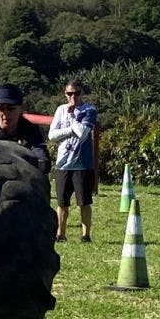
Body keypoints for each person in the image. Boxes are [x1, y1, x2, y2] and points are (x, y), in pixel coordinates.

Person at [48, 80, 98, 243]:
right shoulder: (60, 110)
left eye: (76, 93)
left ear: (82, 93)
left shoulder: (89, 110)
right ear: (65, 94)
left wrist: (71, 116)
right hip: (63, 163)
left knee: (83, 202)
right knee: (62, 202)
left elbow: (83, 133)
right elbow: (52, 135)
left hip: (83, 164)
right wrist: (70, 129)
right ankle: (60, 234)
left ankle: (86, 235)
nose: (73, 97)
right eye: (69, 93)